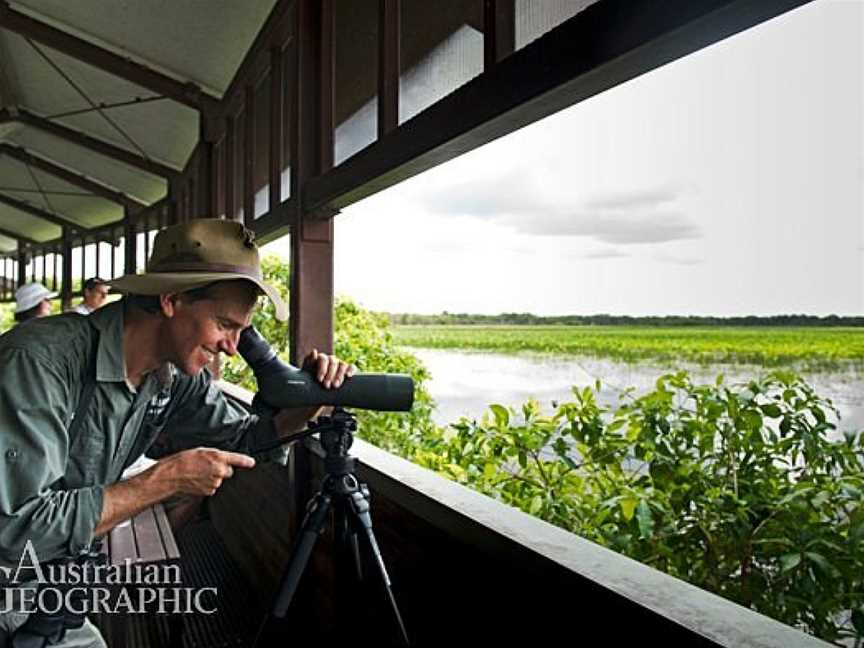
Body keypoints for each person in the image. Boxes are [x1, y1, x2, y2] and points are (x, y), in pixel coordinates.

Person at [0, 218, 355, 647]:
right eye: (225, 324)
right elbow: (16, 530)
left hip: (56, 601)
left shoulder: (171, 375)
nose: (231, 346)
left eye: (242, 332)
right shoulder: (41, 363)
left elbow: (245, 440)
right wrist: (163, 480)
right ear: (171, 300)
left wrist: (303, 408)